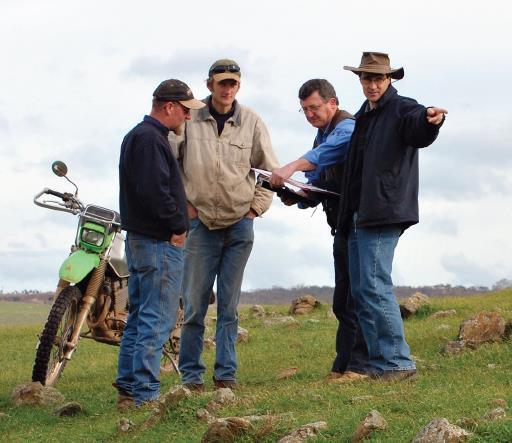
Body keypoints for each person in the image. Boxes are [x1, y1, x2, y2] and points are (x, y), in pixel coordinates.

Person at [338, 52, 448, 381]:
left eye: (378, 79)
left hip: (383, 211)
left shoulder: (402, 108)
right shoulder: (365, 116)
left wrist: (432, 120)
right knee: (362, 289)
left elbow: (418, 125)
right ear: (359, 80)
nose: (372, 85)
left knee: (373, 285)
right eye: (366, 78)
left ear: (390, 80)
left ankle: (397, 362)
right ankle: (381, 361)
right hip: (360, 213)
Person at [171, 59, 279, 391]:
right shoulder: (189, 119)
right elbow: (170, 166)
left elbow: (272, 173)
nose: (227, 89)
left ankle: (225, 376)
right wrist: (184, 207)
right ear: (210, 85)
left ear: (239, 86)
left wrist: (255, 208)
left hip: (238, 227)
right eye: (222, 83)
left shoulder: (252, 122)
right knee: (194, 306)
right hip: (200, 225)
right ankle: (191, 376)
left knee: (229, 307)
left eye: (233, 83)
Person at [269, 79, 368, 380]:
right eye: (304, 110)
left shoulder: (347, 127)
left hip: (359, 222)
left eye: (314, 107)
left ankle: (360, 365)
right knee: (343, 299)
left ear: (332, 103)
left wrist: (292, 167)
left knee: (358, 296)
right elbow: (322, 181)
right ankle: (343, 365)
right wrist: (297, 195)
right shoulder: (321, 133)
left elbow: (331, 153)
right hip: (340, 223)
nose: (310, 115)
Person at [115, 79, 205, 408]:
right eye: (184, 111)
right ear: (169, 106)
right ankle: (145, 394)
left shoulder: (139, 136)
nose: (187, 118)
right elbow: (155, 191)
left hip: (140, 240)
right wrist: (178, 225)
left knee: (140, 315)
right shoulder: (151, 139)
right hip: (158, 241)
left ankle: (128, 389)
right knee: (158, 317)